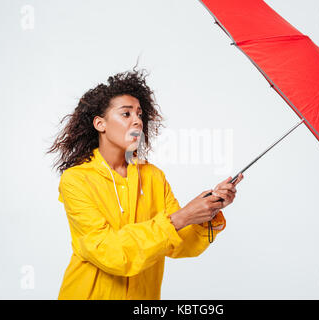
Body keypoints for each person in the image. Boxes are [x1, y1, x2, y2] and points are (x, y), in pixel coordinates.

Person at [47, 68, 243, 300]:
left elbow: (180, 245)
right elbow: (109, 251)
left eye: (140, 114)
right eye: (126, 114)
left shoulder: (153, 177)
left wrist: (209, 209)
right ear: (100, 124)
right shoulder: (76, 180)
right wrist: (181, 217)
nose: (138, 121)